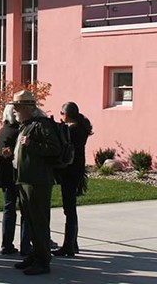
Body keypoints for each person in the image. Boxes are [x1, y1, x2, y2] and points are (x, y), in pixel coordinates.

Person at [11, 91, 62, 276]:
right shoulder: (27, 125)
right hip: (26, 180)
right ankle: (35, 255)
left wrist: (30, 144)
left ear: (28, 108)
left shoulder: (41, 125)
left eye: (17, 107)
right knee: (30, 220)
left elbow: (54, 149)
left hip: (37, 181)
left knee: (39, 221)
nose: (14, 110)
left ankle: (42, 260)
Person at [53, 102, 92, 257]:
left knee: (69, 209)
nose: (60, 116)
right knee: (71, 208)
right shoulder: (81, 128)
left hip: (69, 171)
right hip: (77, 170)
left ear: (66, 114)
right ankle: (72, 243)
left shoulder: (72, 130)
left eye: (61, 113)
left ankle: (69, 245)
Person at [0, 105, 21, 255]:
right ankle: (24, 245)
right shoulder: (17, 131)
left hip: (4, 175)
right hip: (16, 175)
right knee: (23, 210)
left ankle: (6, 243)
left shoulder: (4, 130)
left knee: (8, 209)